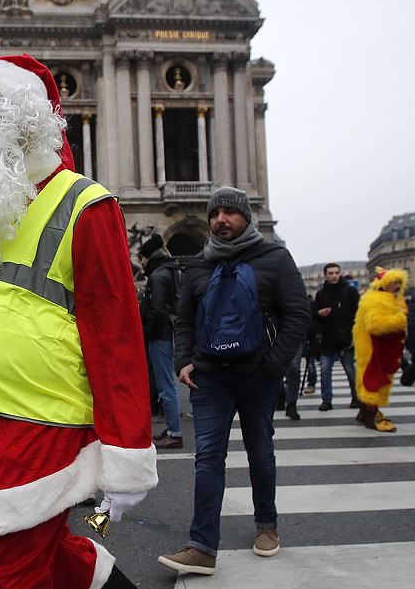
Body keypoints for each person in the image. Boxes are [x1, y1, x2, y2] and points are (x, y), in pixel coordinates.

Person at [0, 54, 157, 589]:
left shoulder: (85, 202)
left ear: (25, 117)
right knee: (42, 548)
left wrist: (126, 449)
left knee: (2, 570)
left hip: (42, 411)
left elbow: (116, 334)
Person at [158, 186, 310, 576]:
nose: (220, 219)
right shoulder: (199, 264)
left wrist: (273, 365)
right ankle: (202, 546)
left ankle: (266, 526)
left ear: (246, 217)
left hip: (256, 375)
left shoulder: (274, 258)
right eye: (215, 214)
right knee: (208, 458)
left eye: (229, 212)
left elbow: (298, 315)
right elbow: (184, 319)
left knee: (260, 452)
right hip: (210, 377)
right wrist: (183, 361)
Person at [139, 234, 184, 448]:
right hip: (169, 332)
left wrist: (148, 333)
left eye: (143, 258)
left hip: (161, 336)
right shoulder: (172, 271)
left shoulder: (157, 276)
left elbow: (156, 310)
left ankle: (174, 432)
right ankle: (171, 427)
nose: (141, 263)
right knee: (167, 384)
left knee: (166, 385)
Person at [353, 267, 408, 432]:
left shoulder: (391, 297)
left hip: (381, 346)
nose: (397, 285)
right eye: (393, 282)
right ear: (384, 283)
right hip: (373, 347)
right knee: (374, 380)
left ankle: (364, 413)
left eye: (399, 282)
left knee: (371, 378)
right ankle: (371, 416)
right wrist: (400, 320)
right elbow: (375, 325)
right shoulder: (376, 299)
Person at [312, 263, 360, 410]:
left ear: (340, 274)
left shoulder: (350, 291)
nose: (334, 276)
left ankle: (356, 397)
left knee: (350, 370)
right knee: (325, 370)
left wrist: (355, 335)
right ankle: (326, 400)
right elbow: (314, 314)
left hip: (346, 338)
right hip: (327, 338)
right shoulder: (321, 294)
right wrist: (319, 314)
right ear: (325, 275)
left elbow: (358, 314)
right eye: (331, 273)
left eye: (336, 273)